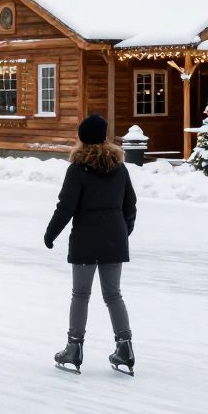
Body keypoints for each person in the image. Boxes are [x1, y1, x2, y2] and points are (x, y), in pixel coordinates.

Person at [45, 114, 137, 375]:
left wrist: (51, 234)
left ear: (82, 138)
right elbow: (131, 205)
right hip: (114, 240)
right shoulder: (120, 168)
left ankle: (74, 348)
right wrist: (122, 232)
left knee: (81, 295)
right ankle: (125, 347)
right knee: (113, 294)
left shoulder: (77, 169)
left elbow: (65, 207)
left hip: (85, 239)